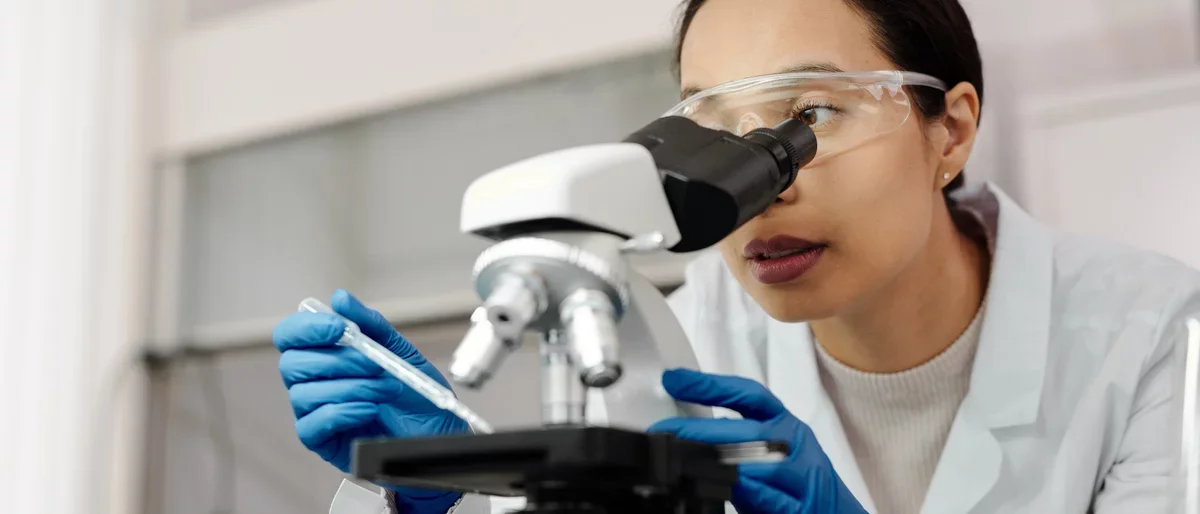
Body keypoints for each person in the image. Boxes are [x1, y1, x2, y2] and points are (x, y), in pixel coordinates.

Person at [271, 0, 1200, 512]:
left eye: (810, 118)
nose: (759, 184)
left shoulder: (1156, 336)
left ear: (949, 131)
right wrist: (427, 489)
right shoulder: (686, 323)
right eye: (712, 128)